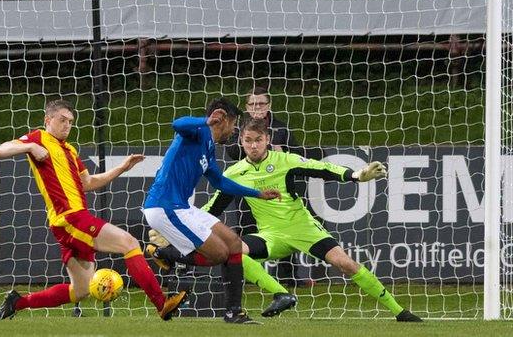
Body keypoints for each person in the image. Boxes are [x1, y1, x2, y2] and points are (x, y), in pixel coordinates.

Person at [148, 118, 422, 322]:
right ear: (241, 142)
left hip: (303, 229)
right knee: (235, 252)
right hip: (271, 235)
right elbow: (212, 208)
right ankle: (281, 294)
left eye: (258, 140)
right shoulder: (235, 172)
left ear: (267, 139)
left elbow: (322, 168)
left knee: (346, 264)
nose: (253, 146)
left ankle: (400, 312)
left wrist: (354, 176)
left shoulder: (286, 160)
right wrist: (173, 229)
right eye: (247, 141)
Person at [0, 99, 186, 320]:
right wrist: (29, 146)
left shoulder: (70, 151)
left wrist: (122, 167)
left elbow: (89, 182)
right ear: (48, 120)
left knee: (81, 290)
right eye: (62, 120)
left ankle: (18, 302)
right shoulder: (39, 138)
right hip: (69, 218)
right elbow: (1, 150)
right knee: (129, 243)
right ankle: (161, 303)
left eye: (71, 122)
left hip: (69, 223)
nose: (67, 125)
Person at [142, 98, 281, 324]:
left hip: (183, 207)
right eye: (234, 124)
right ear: (221, 118)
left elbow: (220, 182)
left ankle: (233, 312)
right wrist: (205, 121)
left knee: (234, 244)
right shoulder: (197, 131)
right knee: (218, 254)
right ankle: (164, 253)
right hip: (164, 206)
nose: (235, 130)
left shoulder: (208, 146)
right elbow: (177, 124)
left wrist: (257, 193)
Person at [226, 85, 323, 285]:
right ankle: (249, 276)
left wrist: (283, 152)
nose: (257, 108)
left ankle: (288, 278)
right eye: (253, 104)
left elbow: (297, 153)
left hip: (276, 190)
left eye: (261, 103)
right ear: (246, 107)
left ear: (269, 106)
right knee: (247, 229)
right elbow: (231, 153)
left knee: (284, 232)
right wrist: (250, 148)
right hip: (247, 188)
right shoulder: (239, 128)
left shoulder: (280, 128)